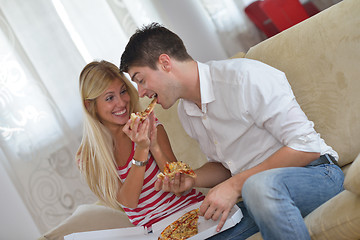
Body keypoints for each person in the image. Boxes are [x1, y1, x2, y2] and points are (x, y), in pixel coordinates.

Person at [119, 23, 345, 239]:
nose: (140, 93)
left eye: (141, 79)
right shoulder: (186, 112)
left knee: (257, 187)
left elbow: (306, 147)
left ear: (165, 63)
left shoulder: (244, 77)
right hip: (254, 196)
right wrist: (192, 178)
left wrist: (235, 185)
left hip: (316, 174)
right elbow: (226, 167)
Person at [76, 60, 204, 229]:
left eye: (123, 92)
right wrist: (142, 149)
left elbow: (178, 186)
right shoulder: (90, 157)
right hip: (153, 231)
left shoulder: (148, 123)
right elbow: (129, 201)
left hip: (192, 211)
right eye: (109, 98)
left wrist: (153, 146)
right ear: (90, 105)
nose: (121, 103)